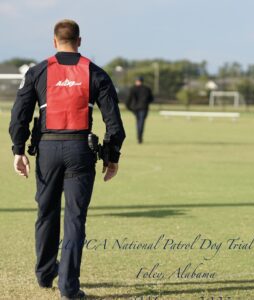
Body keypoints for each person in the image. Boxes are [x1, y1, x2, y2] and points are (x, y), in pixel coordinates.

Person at [9, 19, 125, 300]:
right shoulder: (95, 73)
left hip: (47, 151)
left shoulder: (38, 72)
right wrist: (111, 157)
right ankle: (69, 288)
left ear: (54, 41)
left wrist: (18, 150)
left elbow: (19, 114)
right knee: (75, 219)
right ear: (80, 41)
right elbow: (114, 124)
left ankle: (45, 273)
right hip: (80, 151)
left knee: (46, 212)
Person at [125, 76, 153, 143]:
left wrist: (128, 107)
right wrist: (146, 103)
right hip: (144, 108)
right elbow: (151, 99)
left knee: (138, 122)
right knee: (141, 123)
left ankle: (139, 136)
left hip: (135, 108)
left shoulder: (133, 88)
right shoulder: (147, 89)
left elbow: (129, 99)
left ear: (136, 81)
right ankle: (139, 137)